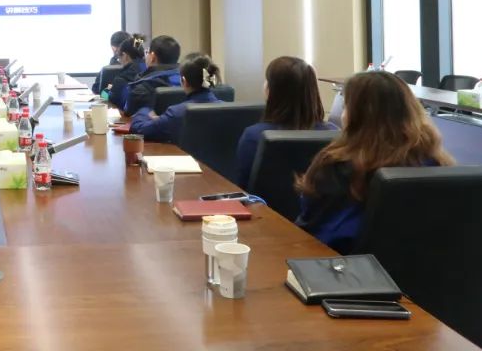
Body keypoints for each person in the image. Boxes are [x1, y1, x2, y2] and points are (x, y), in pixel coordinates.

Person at [296, 71, 454, 254]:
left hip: (340, 264)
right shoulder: (437, 163)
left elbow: (310, 225)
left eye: (346, 106)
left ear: (357, 116)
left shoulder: (336, 165)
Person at [235, 56, 338, 188]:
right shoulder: (334, 134)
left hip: (265, 202)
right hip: (315, 202)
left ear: (272, 90)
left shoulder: (253, 136)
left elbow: (243, 188)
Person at [130, 55, 221, 141]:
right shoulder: (227, 109)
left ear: (184, 81)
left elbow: (139, 129)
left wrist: (145, 110)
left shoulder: (176, 113)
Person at [122, 35, 182, 116]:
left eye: (147, 52)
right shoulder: (188, 81)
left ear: (152, 57)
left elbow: (128, 113)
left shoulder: (141, 89)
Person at [105, 34, 149, 112]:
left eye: (119, 57)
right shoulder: (150, 71)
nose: (119, 61)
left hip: (128, 117)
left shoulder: (122, 78)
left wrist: (108, 87)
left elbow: (105, 97)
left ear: (125, 55)